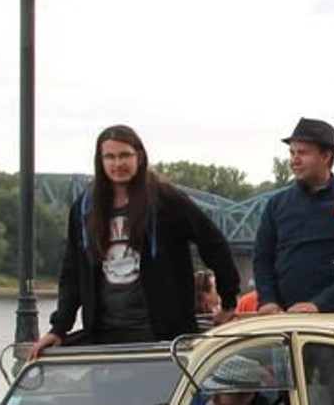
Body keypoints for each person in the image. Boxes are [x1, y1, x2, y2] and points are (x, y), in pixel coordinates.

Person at [30, 124, 241, 359]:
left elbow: (213, 243)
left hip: (162, 334)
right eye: (110, 157)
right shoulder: (84, 207)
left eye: (124, 155)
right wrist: (59, 328)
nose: (117, 163)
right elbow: (72, 273)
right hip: (104, 335)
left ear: (139, 157)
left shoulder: (165, 199)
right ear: (100, 161)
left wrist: (228, 301)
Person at [252, 117, 334, 315]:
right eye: (292, 153)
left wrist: (320, 304)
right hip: (280, 315)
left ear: (326, 156)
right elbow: (262, 258)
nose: (294, 160)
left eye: (303, 153)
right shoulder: (277, 204)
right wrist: (267, 300)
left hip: (331, 317)